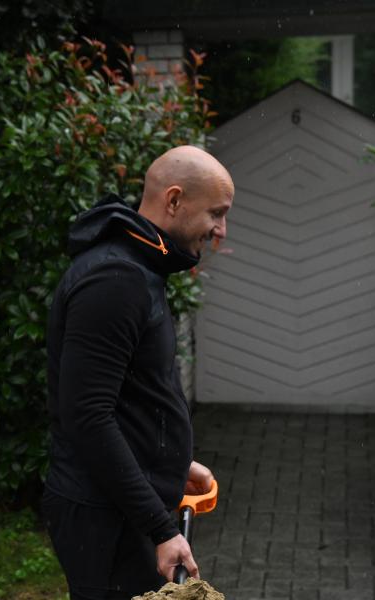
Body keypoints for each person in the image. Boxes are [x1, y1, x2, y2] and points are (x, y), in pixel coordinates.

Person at [42, 145, 231, 599]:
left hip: (120, 509)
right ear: (173, 200)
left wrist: (171, 461)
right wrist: (161, 529)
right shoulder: (116, 280)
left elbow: (130, 395)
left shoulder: (138, 267)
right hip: (105, 519)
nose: (221, 231)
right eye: (216, 214)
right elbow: (88, 417)